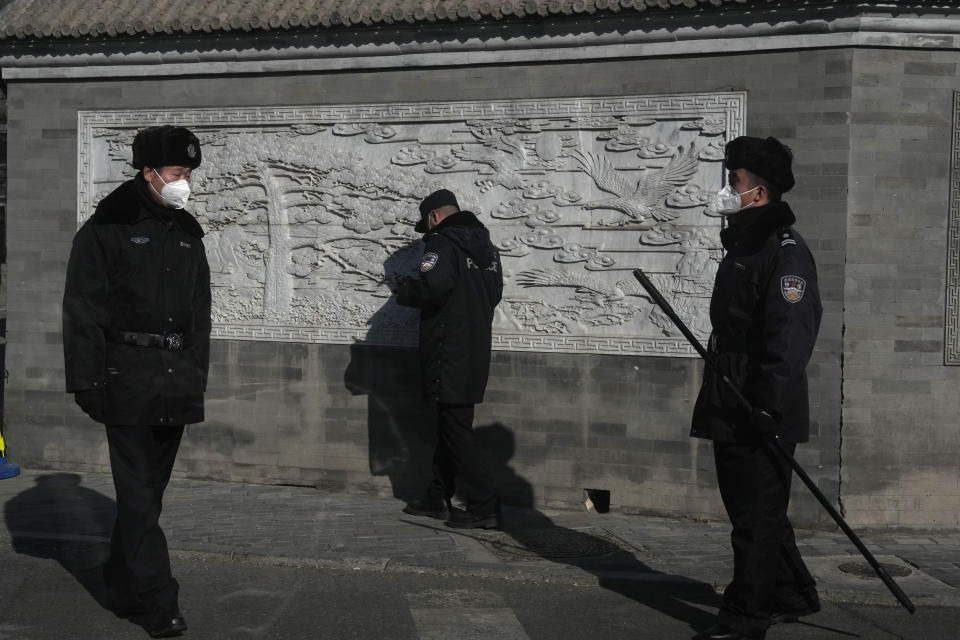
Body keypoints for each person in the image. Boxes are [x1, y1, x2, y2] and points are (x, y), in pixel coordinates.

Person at [63, 125, 210, 638]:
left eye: (189, 173)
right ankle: (158, 599)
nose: (184, 182)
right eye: (176, 172)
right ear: (147, 173)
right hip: (125, 378)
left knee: (150, 492)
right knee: (139, 495)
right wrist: (87, 381)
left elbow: (200, 315)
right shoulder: (107, 229)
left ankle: (119, 577)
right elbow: (82, 309)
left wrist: (197, 372)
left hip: (176, 381)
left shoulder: (188, 232)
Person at [691, 136, 823, 640]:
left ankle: (746, 616)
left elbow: (789, 339)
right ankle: (791, 592)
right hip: (732, 394)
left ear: (759, 193)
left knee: (755, 519)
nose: (727, 188)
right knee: (755, 510)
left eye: (735, 181)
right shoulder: (746, 244)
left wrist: (768, 406)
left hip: (761, 403)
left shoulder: (785, 253)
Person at [392, 189, 504, 529]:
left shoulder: (441, 243)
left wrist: (406, 290)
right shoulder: (488, 249)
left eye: (427, 225)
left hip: (447, 352)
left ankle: (485, 507)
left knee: (456, 429)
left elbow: (434, 288)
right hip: (474, 349)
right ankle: (434, 497)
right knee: (450, 424)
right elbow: (494, 294)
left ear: (433, 217)